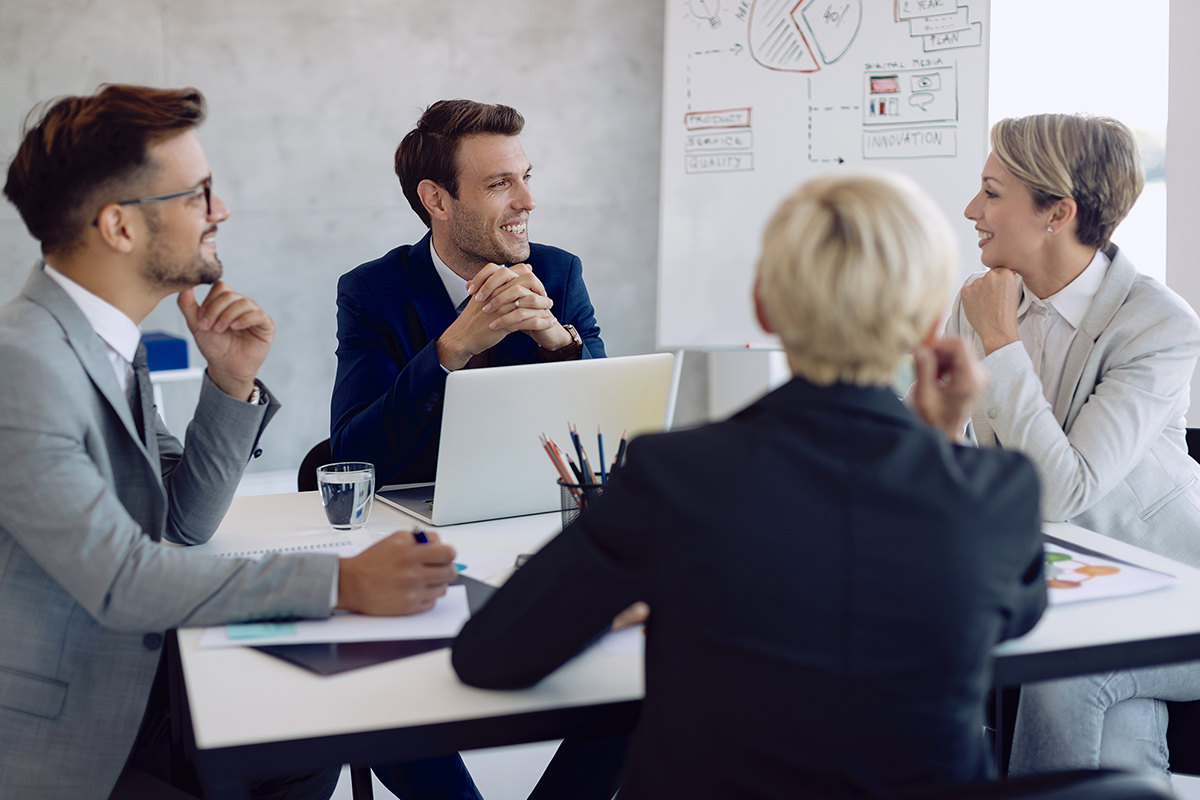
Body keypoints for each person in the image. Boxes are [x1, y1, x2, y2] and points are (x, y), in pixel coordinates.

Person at [451, 173, 1049, 799]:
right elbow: (1007, 615)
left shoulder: (674, 475)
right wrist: (939, 439)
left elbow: (491, 656)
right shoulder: (996, 492)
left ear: (763, 305)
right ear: (931, 325)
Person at [0, 84, 460, 800]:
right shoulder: (22, 363)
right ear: (119, 227)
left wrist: (231, 382)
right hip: (67, 736)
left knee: (308, 744)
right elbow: (124, 578)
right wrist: (341, 582)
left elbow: (182, 522)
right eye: (198, 194)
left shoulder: (104, 344)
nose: (221, 211)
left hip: (141, 686)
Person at [948, 113, 1200, 779]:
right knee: (1115, 740)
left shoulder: (1159, 325)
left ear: (1057, 212)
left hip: (1178, 598)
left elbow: (1063, 493)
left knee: (1066, 677)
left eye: (992, 193)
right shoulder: (983, 303)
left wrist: (1002, 347)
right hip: (1059, 585)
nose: (972, 211)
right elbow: (946, 450)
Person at [331, 99, 604, 486]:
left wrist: (559, 343)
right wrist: (450, 349)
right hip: (423, 522)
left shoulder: (559, 274)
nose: (528, 201)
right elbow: (353, 460)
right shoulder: (371, 292)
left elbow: (606, 436)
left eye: (526, 177)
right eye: (500, 183)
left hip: (534, 511)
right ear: (436, 200)